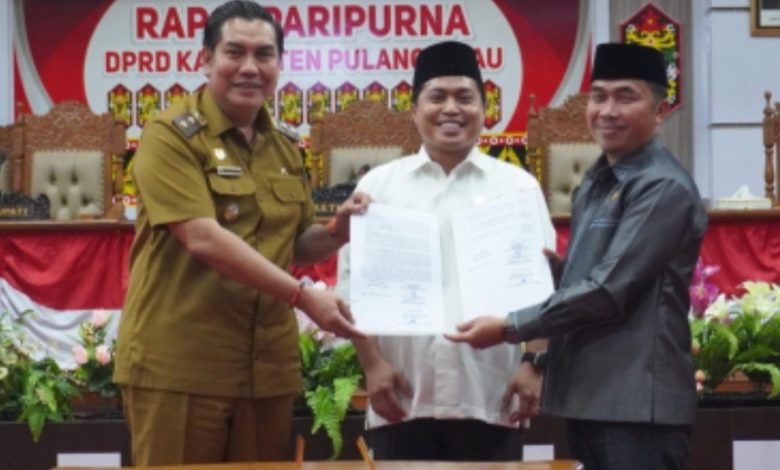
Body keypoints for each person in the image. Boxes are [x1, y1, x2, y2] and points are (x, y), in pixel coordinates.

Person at [113, 1, 366, 465]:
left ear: (279, 64)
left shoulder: (285, 147)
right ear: (205, 59)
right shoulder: (170, 135)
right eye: (235, 52)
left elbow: (293, 244)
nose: (250, 67)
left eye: (264, 54)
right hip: (183, 364)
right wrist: (301, 296)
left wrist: (337, 230)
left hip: (264, 371)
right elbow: (202, 237)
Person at [447, 43, 708, 470]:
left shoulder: (662, 186)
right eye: (598, 96)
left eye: (626, 97)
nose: (607, 110)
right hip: (592, 398)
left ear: (660, 111)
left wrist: (510, 326)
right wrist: (548, 271)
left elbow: (608, 291)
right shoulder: (598, 180)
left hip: (637, 406)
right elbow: (594, 276)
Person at [338, 40, 555, 461]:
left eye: (465, 98)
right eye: (437, 97)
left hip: (491, 395)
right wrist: (372, 365)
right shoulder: (378, 187)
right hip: (402, 395)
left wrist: (533, 363)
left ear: (484, 110)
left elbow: (545, 290)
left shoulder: (518, 187)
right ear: (414, 110)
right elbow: (352, 290)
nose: (451, 109)